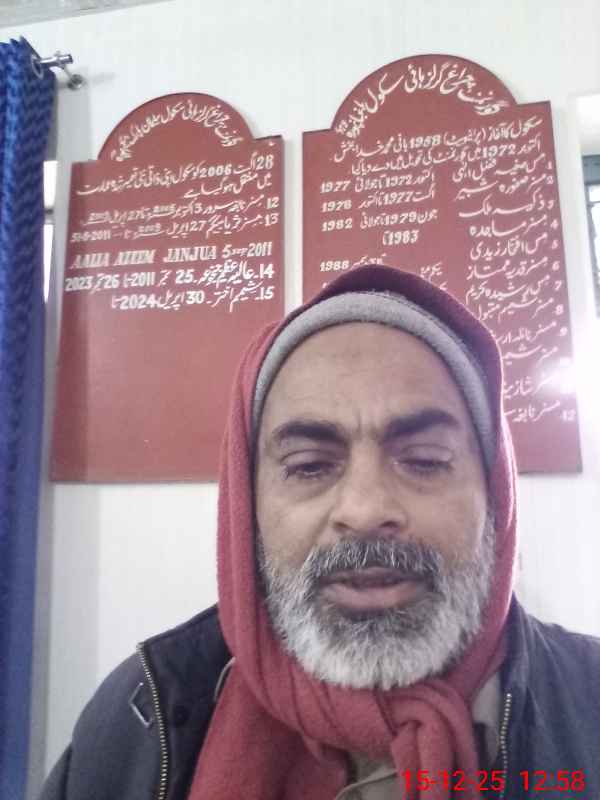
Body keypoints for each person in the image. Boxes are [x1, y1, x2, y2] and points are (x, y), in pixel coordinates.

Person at [40, 265, 600, 800]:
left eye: (425, 460)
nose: (365, 509)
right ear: (246, 508)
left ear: (494, 496)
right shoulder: (138, 718)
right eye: (309, 466)